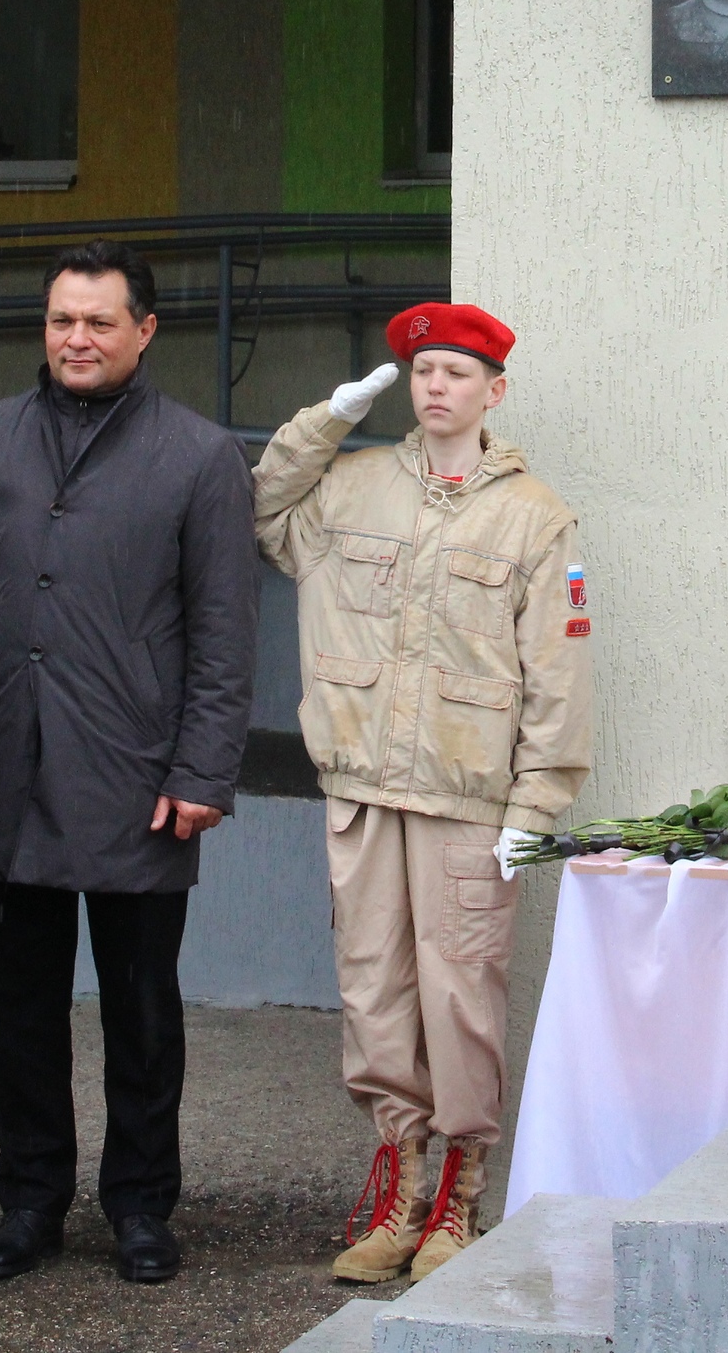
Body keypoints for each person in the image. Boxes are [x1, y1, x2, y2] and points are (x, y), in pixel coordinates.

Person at [0, 241, 258, 1286]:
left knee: (141, 1015)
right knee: (19, 1016)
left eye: (99, 322)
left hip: (142, 781)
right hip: (9, 772)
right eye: (63, 320)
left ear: (143, 331)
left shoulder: (200, 456)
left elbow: (225, 634)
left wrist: (203, 773)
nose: (78, 339)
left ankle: (142, 1207)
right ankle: (30, 1202)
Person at [254, 303, 591, 1285]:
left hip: (469, 805)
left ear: (494, 391)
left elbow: (559, 680)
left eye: (456, 372)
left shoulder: (536, 515)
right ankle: (398, 1190)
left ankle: (459, 1197)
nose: (436, 386)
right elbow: (264, 506)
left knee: (461, 1002)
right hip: (363, 791)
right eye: (422, 371)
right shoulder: (351, 488)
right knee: (374, 995)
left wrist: (534, 816)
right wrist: (328, 418)